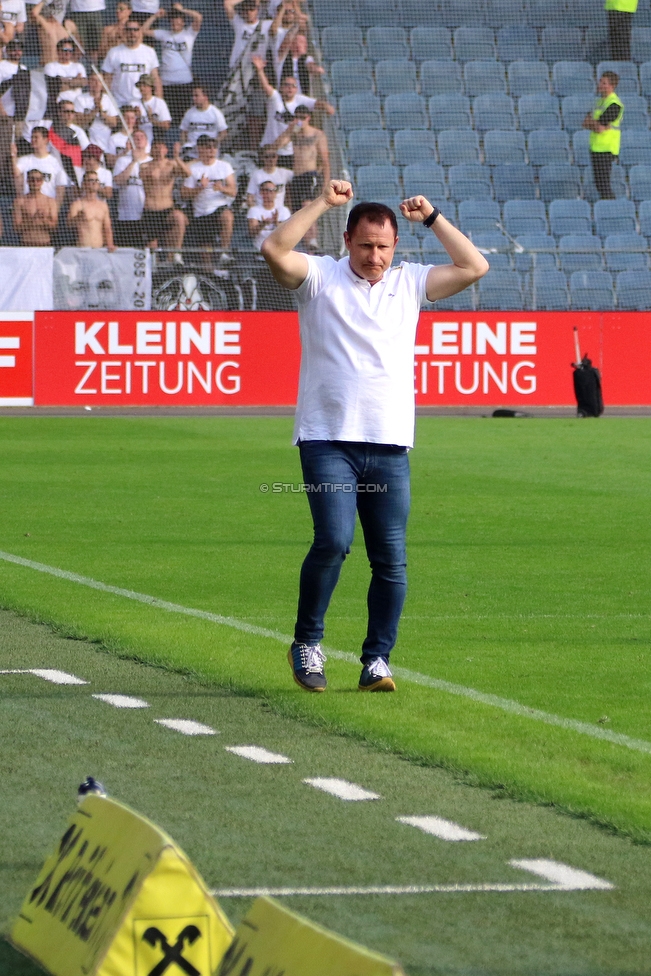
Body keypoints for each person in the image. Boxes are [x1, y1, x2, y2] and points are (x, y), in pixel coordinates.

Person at [260, 182, 488, 693]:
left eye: (384, 247)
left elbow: (475, 267)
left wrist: (433, 218)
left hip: (388, 444)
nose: (375, 256)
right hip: (327, 440)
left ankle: (377, 661)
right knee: (335, 541)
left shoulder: (409, 282)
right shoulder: (319, 276)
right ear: (346, 242)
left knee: (390, 559)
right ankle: (307, 643)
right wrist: (321, 202)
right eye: (365, 246)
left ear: (396, 247)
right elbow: (274, 249)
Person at [253, 55, 334, 170]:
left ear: (296, 89)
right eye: (287, 85)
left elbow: (317, 103)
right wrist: (260, 70)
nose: (290, 88)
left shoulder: (300, 99)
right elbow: (266, 86)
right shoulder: (275, 98)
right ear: (281, 87)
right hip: (270, 147)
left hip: (289, 152)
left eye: (293, 86)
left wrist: (327, 106)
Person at [181, 133, 236, 267]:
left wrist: (221, 188)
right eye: (208, 147)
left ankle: (224, 252)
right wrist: (200, 188)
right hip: (201, 212)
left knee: (227, 216)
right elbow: (184, 194)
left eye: (214, 147)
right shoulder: (193, 168)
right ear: (200, 148)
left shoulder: (225, 166)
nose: (212, 150)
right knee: (206, 256)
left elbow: (233, 191)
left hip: (219, 207)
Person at [143, 2, 201, 125]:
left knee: (184, 118)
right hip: (167, 83)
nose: (174, 22)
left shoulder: (189, 34)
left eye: (177, 19)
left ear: (183, 22)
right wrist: (155, 16)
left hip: (184, 82)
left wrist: (182, 10)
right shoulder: (164, 34)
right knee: (166, 117)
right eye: (172, 20)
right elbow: (143, 30)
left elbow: (198, 17)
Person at [140, 139, 190, 257]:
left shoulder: (171, 164)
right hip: (150, 210)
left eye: (161, 147)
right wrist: (154, 169)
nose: (158, 150)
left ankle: (176, 254)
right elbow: (143, 175)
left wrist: (177, 157)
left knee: (179, 217)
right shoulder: (145, 165)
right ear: (151, 150)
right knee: (152, 250)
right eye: (156, 147)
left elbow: (187, 173)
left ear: (166, 150)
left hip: (166, 208)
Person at [583, 71, 624, 200]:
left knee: (603, 184)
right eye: (600, 81)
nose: (600, 84)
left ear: (612, 86)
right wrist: (594, 124)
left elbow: (599, 128)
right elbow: (585, 122)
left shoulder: (614, 104)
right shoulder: (599, 102)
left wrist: (594, 124)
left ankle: (612, 206)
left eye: (604, 82)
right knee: (599, 183)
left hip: (606, 147)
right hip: (596, 147)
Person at [101, 20, 161, 106]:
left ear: (140, 31)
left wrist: (158, 102)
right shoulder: (114, 52)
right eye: (129, 30)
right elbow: (107, 80)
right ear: (124, 31)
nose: (132, 33)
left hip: (143, 104)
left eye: (135, 29)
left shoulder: (149, 51)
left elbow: (155, 78)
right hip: (119, 103)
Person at [12, 125, 69, 206]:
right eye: (32, 137)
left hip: (48, 207)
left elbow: (60, 188)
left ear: (45, 140)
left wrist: (56, 209)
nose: (33, 140)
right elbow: (15, 173)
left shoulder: (56, 162)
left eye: (36, 137)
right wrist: (13, 155)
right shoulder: (25, 160)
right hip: (29, 206)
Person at [112, 127, 151, 246]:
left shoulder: (152, 161)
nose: (139, 139)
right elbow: (118, 182)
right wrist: (133, 161)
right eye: (135, 137)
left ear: (146, 142)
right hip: (126, 215)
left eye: (142, 137)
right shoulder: (122, 161)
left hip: (147, 213)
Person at [67, 168, 115, 248]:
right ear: (84, 184)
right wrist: (78, 217)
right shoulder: (77, 205)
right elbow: (69, 225)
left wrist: (110, 244)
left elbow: (107, 229)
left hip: (99, 249)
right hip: (83, 248)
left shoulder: (103, 206)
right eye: (91, 180)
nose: (94, 183)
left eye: (96, 180)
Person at [179, 82, 228, 156]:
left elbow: (223, 132)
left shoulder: (215, 112)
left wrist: (214, 143)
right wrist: (184, 144)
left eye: (196, 96)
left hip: (210, 154)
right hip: (192, 154)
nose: (193, 98)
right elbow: (183, 131)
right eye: (193, 96)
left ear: (205, 97)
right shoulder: (189, 113)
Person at [74, 71, 118, 152]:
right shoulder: (80, 99)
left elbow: (114, 123)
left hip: (105, 142)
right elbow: (80, 123)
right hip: (87, 142)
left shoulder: (109, 99)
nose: (97, 83)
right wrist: (95, 111)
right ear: (89, 82)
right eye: (94, 80)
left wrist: (101, 112)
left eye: (99, 80)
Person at [13, 168, 59, 244]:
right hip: (26, 243)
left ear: (42, 181)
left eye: (38, 179)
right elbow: (16, 228)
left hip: (45, 243)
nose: (35, 182)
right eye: (32, 179)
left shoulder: (50, 201)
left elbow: (54, 227)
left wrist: (44, 220)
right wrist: (33, 220)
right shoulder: (19, 201)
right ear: (27, 181)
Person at [247, 178, 290, 250]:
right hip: (260, 249)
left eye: (273, 190)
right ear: (261, 192)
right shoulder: (254, 210)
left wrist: (276, 223)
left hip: (280, 250)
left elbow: (288, 234)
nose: (270, 193)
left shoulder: (283, 210)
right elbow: (251, 234)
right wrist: (262, 224)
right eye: (267, 190)